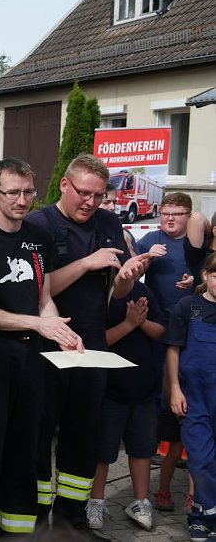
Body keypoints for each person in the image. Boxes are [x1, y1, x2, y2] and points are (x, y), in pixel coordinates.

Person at [0, 158, 83, 541]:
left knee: (27, 454)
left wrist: (59, 330)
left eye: (29, 192)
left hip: (33, 360)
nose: (23, 200)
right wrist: (38, 323)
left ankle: (16, 535)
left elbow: (42, 296)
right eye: (13, 192)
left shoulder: (39, 238)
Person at [25, 153, 147, 537]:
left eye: (98, 195)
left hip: (91, 344)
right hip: (46, 343)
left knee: (83, 434)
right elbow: (33, 291)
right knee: (40, 433)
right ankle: (37, 516)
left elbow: (117, 288)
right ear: (64, 184)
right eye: (83, 193)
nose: (91, 202)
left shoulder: (109, 222)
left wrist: (127, 276)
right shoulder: (37, 224)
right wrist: (85, 263)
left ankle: (72, 520)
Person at [86, 281, 165, 532]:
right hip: (109, 390)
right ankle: (96, 501)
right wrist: (128, 324)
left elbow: (161, 330)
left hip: (143, 388)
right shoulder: (101, 292)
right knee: (104, 450)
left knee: (142, 448)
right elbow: (94, 341)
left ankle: (141, 502)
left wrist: (142, 323)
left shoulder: (144, 291)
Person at [135, 192, 196, 513]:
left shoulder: (194, 245)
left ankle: (179, 444)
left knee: (184, 385)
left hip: (190, 328)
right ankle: (158, 442)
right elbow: (128, 272)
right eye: (166, 212)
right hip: (155, 327)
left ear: (188, 215)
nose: (170, 218)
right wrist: (146, 259)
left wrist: (193, 281)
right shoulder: (149, 239)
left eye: (177, 213)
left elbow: (207, 278)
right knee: (159, 385)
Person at [166, 252, 216, 542]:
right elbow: (173, 350)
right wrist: (174, 388)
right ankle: (209, 514)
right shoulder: (188, 307)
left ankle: (201, 518)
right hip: (195, 398)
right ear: (205, 276)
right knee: (199, 461)